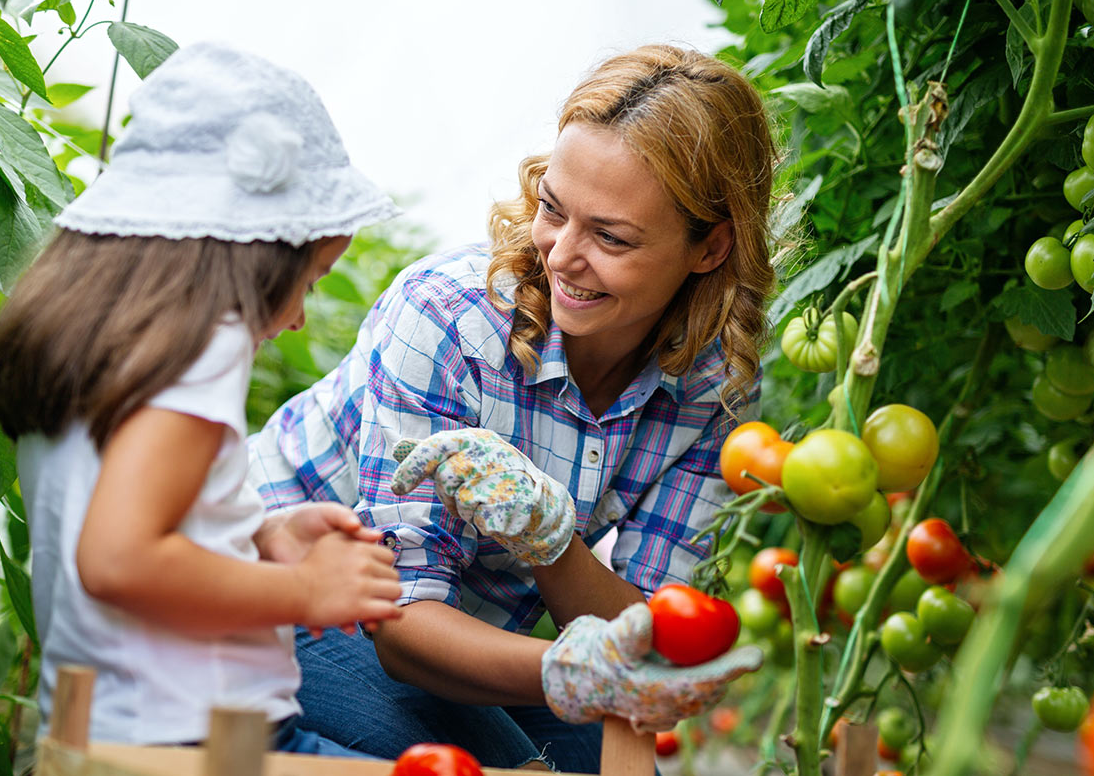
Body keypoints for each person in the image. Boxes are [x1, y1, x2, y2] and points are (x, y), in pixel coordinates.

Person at [246, 44, 777, 772]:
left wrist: (553, 542)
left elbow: (645, 632)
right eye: (553, 210)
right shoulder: (449, 320)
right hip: (295, 592)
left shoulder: (714, 394)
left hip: (476, 626)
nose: (562, 255)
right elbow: (401, 624)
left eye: (611, 237)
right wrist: (568, 672)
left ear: (710, 248)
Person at [0, 43, 405, 753]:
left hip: (102, 730)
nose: (299, 313)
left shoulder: (105, 347)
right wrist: (306, 594)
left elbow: (124, 519)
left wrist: (259, 536)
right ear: (259, 248)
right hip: (203, 743)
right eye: (311, 278)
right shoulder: (202, 348)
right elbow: (119, 559)